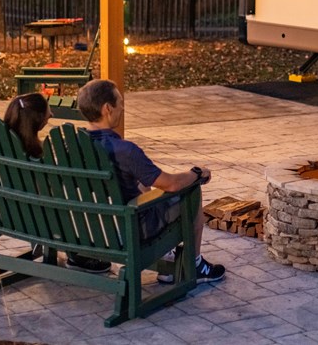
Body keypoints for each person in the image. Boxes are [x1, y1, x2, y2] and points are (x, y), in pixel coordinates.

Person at [77, 78, 226, 284]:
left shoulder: (74, 147)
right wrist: (196, 173)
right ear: (107, 109)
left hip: (94, 230)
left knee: (143, 186)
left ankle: (167, 261)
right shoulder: (125, 151)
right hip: (129, 230)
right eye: (120, 101)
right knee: (190, 192)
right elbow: (170, 183)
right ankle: (194, 264)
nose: (123, 106)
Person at [2, 92, 112, 274]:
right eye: (47, 111)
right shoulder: (33, 158)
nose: (51, 115)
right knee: (67, 198)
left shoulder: (7, 148)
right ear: (36, 119)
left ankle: (73, 252)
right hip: (42, 220)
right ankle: (76, 254)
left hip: (12, 216)